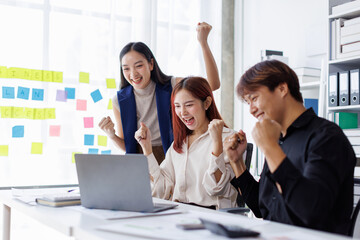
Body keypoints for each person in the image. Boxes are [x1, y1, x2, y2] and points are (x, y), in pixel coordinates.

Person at [223, 60, 356, 235]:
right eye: (248, 102)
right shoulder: (279, 139)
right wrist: (237, 162)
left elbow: (311, 212)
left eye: (254, 98)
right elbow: (263, 208)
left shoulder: (327, 137)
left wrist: (270, 148)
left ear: (282, 89)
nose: (251, 110)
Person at [98, 22, 220, 164]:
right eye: (126, 69)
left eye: (138, 66)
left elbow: (213, 84)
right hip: (140, 160)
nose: (133, 74)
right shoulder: (119, 100)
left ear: (151, 64)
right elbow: (128, 145)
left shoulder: (172, 85)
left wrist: (203, 42)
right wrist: (111, 135)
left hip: (174, 155)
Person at [134, 77, 240, 209]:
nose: (182, 113)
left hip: (213, 216)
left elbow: (216, 188)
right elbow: (161, 192)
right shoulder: (179, 144)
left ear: (206, 103)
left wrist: (217, 141)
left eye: (189, 105)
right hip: (180, 214)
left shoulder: (229, 138)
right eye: (177, 106)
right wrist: (147, 148)